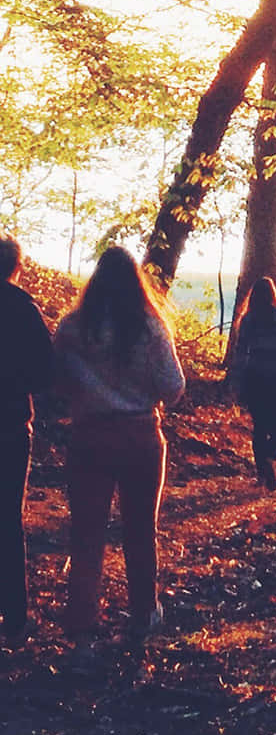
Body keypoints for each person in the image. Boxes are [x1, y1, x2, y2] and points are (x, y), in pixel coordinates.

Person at [52, 246, 184, 663]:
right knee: (140, 531)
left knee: (87, 534)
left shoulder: (72, 328)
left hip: (89, 437)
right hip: (140, 436)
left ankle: (83, 634)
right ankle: (143, 615)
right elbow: (173, 385)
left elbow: (55, 382)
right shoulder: (149, 326)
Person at [0, 237, 53, 645]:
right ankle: (14, 618)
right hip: (10, 425)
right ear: (16, 267)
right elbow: (44, 375)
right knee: (7, 519)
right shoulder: (24, 310)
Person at [231, 276, 276, 491]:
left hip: (255, 374)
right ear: (273, 294)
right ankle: (270, 457)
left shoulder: (248, 320)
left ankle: (263, 471)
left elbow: (240, 351)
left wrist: (238, 380)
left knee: (259, 425)